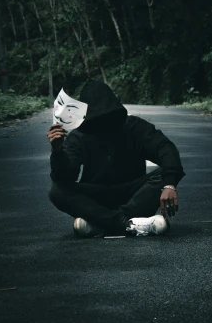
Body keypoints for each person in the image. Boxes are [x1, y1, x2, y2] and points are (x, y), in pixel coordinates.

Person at [47, 80, 185, 237]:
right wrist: (58, 151)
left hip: (133, 194)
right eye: (96, 118)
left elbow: (165, 148)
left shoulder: (134, 127)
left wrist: (170, 184)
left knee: (164, 175)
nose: (102, 123)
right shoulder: (79, 135)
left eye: (107, 116)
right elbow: (66, 177)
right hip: (96, 196)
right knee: (57, 190)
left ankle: (102, 223)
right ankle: (127, 223)